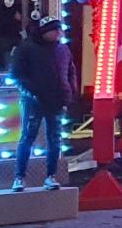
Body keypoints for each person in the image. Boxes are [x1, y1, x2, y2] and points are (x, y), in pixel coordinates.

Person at [8, 16, 75, 192]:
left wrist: (69, 93)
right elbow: (17, 75)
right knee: (28, 137)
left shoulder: (62, 49)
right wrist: (33, 92)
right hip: (34, 101)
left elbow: (70, 72)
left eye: (59, 30)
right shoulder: (27, 48)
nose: (58, 33)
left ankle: (50, 176)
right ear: (45, 32)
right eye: (55, 30)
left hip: (55, 100)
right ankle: (19, 177)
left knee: (54, 139)